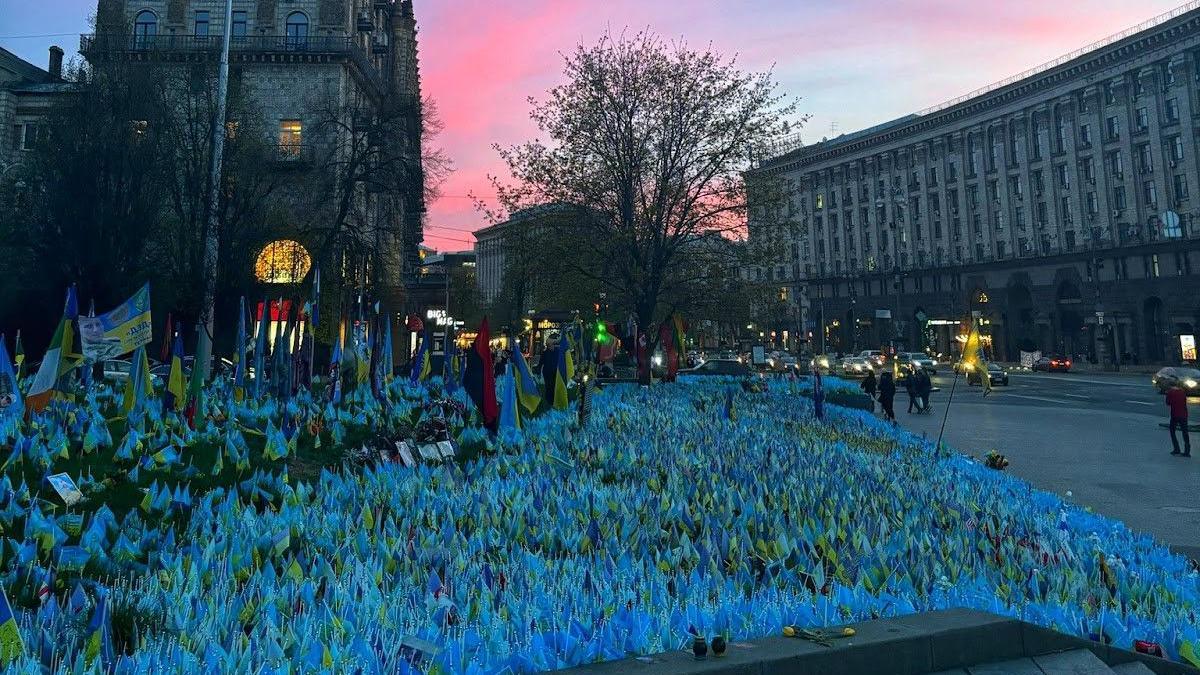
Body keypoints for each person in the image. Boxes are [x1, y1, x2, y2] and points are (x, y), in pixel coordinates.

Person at [1166, 382, 1191, 457]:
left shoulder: (1170, 392)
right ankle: (1187, 451)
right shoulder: (1183, 392)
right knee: (1185, 432)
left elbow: (1168, 403)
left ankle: (1176, 449)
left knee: (1172, 431)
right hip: (1184, 415)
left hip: (1175, 415)